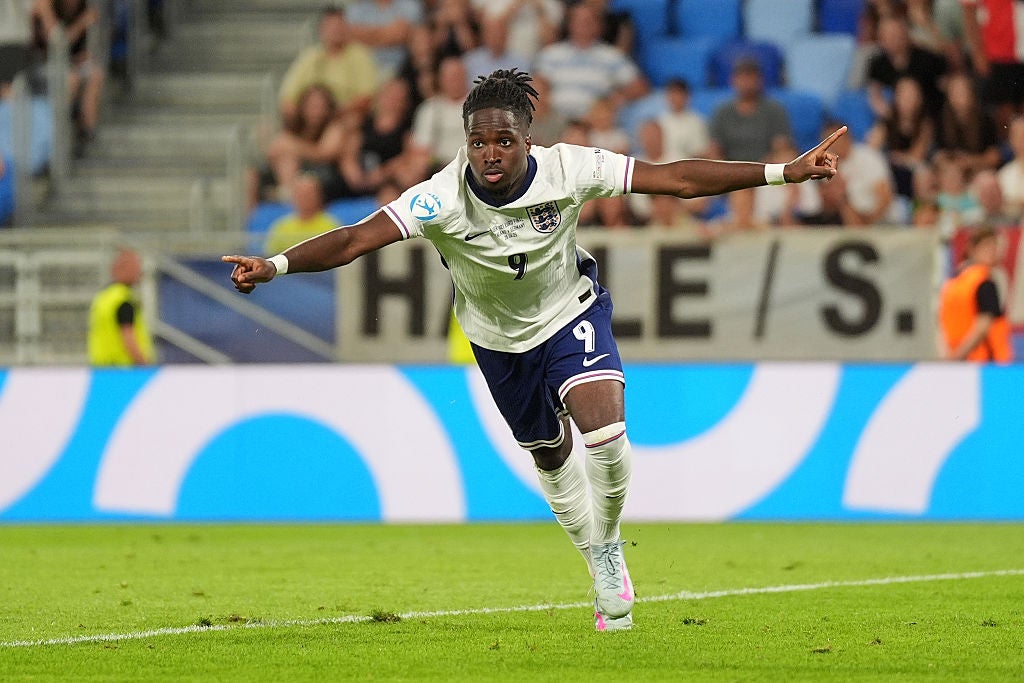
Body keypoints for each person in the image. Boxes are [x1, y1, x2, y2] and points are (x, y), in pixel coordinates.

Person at [222, 69, 844, 632]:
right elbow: (357, 239)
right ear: (465, 141)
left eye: (504, 142)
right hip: (497, 341)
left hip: (570, 311)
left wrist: (783, 172)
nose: (490, 154)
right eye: (478, 142)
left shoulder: (568, 168)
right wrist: (274, 265)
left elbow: (674, 178)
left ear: (527, 140)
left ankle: (610, 548)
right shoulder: (439, 197)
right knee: (551, 456)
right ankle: (595, 551)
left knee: (607, 436)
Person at [277, 6, 378, 128]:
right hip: (309, 120)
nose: (336, 30)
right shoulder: (310, 56)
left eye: (339, 25)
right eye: (331, 26)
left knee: (350, 123)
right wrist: (299, 118)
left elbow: (366, 97)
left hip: (344, 119)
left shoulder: (360, 55)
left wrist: (332, 114)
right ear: (321, 30)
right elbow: (288, 98)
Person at [938, 226, 1014, 362]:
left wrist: (949, 357)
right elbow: (983, 325)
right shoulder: (984, 282)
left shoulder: (952, 282)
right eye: (987, 246)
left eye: (995, 246)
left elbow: (941, 324)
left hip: (958, 358)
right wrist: (956, 357)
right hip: (985, 361)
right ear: (972, 249)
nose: (993, 251)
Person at [88, 248, 155, 366]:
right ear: (122, 268)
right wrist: (144, 363)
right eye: (136, 267)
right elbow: (128, 336)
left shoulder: (103, 297)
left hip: (101, 367)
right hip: (124, 369)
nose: (139, 272)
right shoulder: (123, 300)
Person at [262, 174, 339, 255]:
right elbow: (270, 256)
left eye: (309, 194)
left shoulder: (331, 226)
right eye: (301, 194)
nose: (305, 198)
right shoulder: (281, 226)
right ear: (294, 196)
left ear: (319, 195)